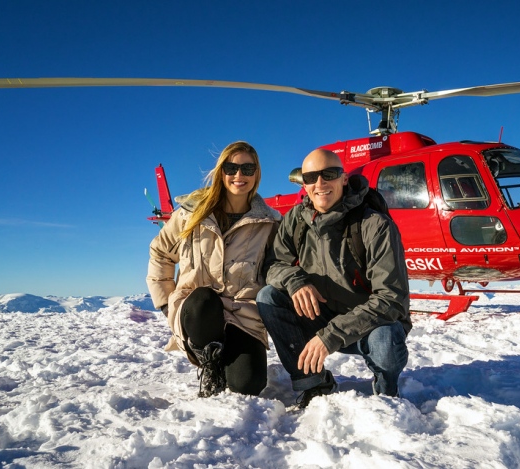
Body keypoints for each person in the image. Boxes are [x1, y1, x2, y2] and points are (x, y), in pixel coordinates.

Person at [257, 148, 411, 408]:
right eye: (311, 177)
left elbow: (391, 299)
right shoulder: (296, 219)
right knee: (269, 297)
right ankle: (314, 384)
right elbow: (273, 265)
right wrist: (295, 281)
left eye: (329, 174)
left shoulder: (375, 224)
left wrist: (331, 335)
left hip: (368, 326)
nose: (320, 183)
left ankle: (387, 396)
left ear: (344, 178)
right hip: (320, 315)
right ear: (303, 184)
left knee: (385, 337)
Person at [147, 141, 281, 398]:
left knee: (248, 386)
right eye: (231, 168)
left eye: (248, 168)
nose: (239, 175)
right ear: (221, 172)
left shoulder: (269, 223)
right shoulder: (190, 213)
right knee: (203, 300)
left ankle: (229, 357)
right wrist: (165, 303)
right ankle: (209, 362)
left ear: (257, 174)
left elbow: (279, 266)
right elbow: (160, 253)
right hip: (198, 311)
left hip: (243, 314)